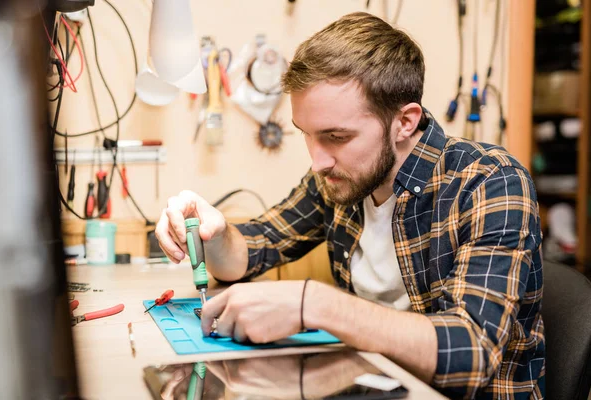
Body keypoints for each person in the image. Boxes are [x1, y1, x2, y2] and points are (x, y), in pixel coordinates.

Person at [155, 12, 545, 399]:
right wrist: (214, 233)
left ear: (405, 121)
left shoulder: (490, 180)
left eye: (336, 136)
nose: (318, 160)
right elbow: (251, 252)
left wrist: (316, 305)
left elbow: (472, 352)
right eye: (306, 135)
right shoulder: (338, 177)